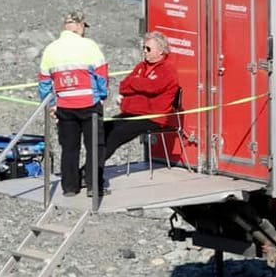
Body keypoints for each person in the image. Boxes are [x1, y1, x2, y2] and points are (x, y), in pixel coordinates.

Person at [92, 33, 182, 193]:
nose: (144, 51)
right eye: (143, 48)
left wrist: (135, 84)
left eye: (148, 48)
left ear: (161, 51)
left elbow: (154, 87)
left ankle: (90, 173)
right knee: (103, 128)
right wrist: (139, 85)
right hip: (132, 113)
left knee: (116, 135)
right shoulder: (141, 66)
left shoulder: (168, 69)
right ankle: (91, 170)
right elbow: (124, 85)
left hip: (151, 117)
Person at [38, 14, 108, 197]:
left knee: (69, 147)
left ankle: (69, 187)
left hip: (65, 105)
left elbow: (44, 81)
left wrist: (51, 104)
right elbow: (101, 73)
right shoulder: (89, 46)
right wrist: (102, 95)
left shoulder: (51, 49)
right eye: (84, 26)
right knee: (95, 146)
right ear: (79, 26)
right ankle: (94, 186)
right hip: (89, 103)